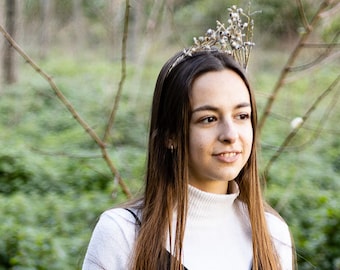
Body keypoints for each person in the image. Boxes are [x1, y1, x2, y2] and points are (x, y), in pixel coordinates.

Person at [82, 6, 294, 270]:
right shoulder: (123, 235)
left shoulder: (272, 235)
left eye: (241, 116)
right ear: (171, 135)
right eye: (208, 119)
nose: (230, 135)